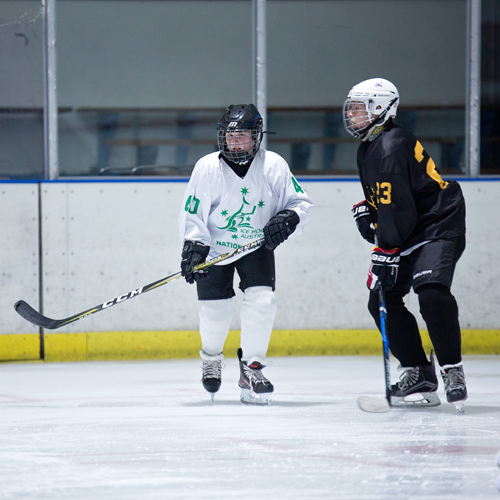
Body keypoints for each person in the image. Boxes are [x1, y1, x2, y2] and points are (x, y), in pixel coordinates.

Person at [343, 78, 468, 409]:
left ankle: (452, 369)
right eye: (353, 108)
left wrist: (385, 249)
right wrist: (368, 211)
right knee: (381, 299)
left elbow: (398, 207)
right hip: (410, 224)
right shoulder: (369, 145)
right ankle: (419, 371)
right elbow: (387, 200)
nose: (352, 115)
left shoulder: (391, 144)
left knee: (431, 292)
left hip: (438, 223)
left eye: (359, 108)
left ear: (381, 108)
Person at [178, 103, 313, 405]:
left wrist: (289, 217)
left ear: (257, 137)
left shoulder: (273, 165)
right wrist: (194, 246)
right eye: (229, 136)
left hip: (255, 246)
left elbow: (300, 202)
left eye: (242, 136)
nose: (235, 142)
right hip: (215, 248)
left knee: (263, 301)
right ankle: (211, 357)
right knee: (215, 310)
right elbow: (192, 211)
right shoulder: (207, 167)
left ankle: (252, 367)